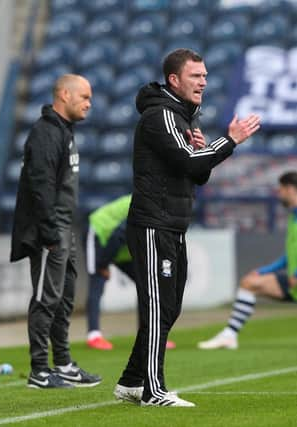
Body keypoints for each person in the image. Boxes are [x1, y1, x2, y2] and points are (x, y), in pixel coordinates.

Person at [112, 48, 261, 407]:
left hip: (173, 224)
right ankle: (153, 389)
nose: (204, 82)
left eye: (206, 75)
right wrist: (230, 141)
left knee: (170, 308)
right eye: (196, 76)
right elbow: (188, 159)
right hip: (153, 224)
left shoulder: (183, 117)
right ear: (175, 80)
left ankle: (132, 381)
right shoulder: (161, 115)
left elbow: (196, 172)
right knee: (158, 307)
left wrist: (206, 147)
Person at [10, 74, 101, 389]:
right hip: (50, 230)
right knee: (45, 298)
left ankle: (62, 363)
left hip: (64, 226)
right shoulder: (46, 133)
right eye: (84, 97)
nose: (89, 103)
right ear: (64, 94)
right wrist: (49, 232)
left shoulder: (63, 131)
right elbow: (40, 186)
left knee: (64, 298)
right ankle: (39, 369)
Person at [198, 172, 297, 350]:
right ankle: (229, 335)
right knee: (249, 283)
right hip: (293, 283)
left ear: (290, 189)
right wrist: (265, 271)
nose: (278, 193)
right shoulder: (292, 216)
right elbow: (290, 255)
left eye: (280, 189)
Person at [85, 194, 178, 351]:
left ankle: (148, 335)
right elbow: (117, 236)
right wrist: (103, 265)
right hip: (101, 232)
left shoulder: (160, 211)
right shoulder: (146, 207)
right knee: (98, 281)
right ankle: (94, 335)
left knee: (147, 284)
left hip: (121, 244)